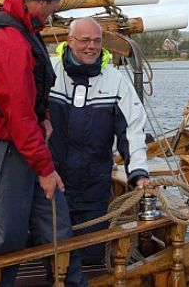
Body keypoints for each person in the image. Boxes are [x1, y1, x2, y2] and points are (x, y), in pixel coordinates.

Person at [0, 0, 87, 286]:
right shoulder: (8, 41)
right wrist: (45, 169)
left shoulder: (22, 30)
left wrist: (42, 122)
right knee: (6, 237)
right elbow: (17, 113)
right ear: (41, 2)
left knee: (56, 225)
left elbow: (27, 105)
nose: (51, 16)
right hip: (2, 147)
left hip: (24, 144)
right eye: (52, 8)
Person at [48, 17, 150, 265]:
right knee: (52, 254)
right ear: (70, 41)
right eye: (84, 40)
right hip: (52, 182)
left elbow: (133, 130)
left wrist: (139, 173)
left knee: (91, 258)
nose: (91, 46)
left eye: (96, 40)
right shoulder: (48, 72)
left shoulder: (115, 81)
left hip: (94, 185)